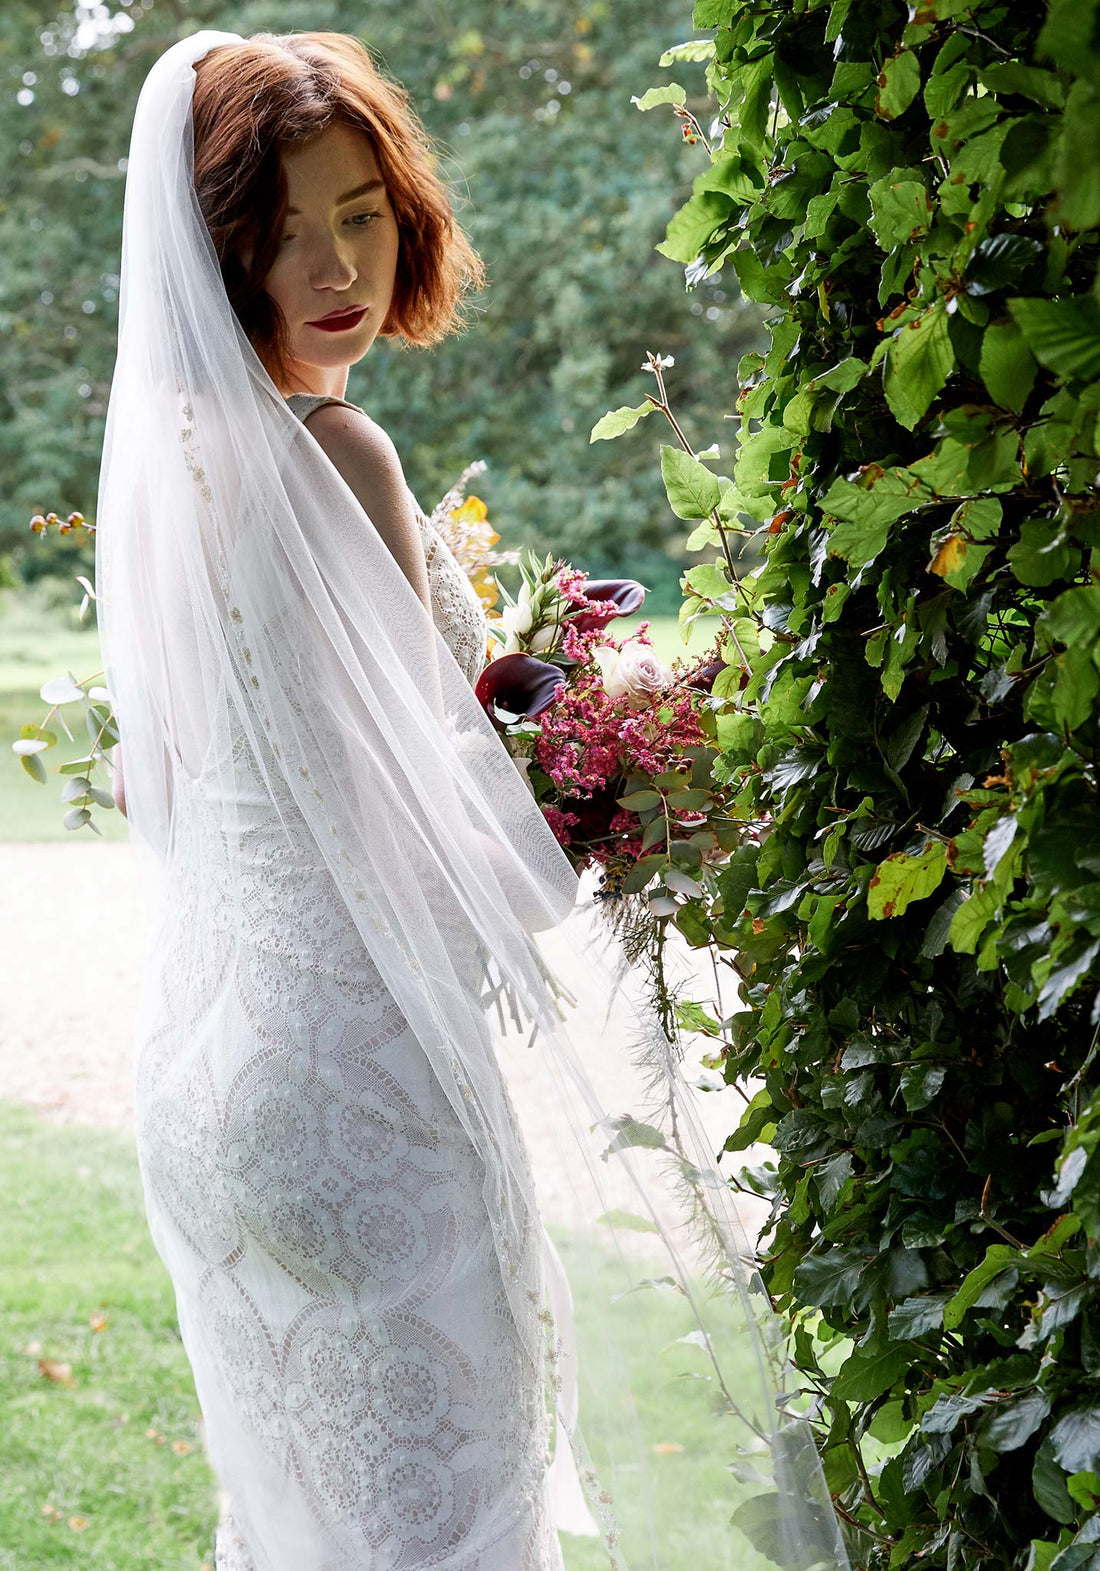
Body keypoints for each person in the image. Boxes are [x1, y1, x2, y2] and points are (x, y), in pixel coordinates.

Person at [93, 28, 851, 1571]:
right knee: (447, 1516)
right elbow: (439, 796)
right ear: (215, 245)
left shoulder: (165, 463)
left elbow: (172, 775)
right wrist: (619, 781)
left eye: (362, 211)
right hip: (352, 1067)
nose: (336, 263)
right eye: (283, 227)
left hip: (207, 1070)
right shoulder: (337, 450)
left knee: (308, 1515)